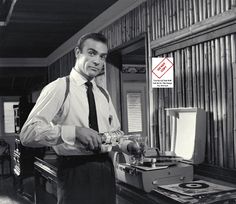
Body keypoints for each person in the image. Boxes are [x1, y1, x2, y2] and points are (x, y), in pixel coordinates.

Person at [20, 33, 137, 204]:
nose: (98, 61)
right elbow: (27, 134)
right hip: (74, 171)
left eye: (102, 56)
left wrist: (128, 145)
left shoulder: (103, 93)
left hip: (105, 170)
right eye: (91, 53)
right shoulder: (60, 87)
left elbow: (114, 134)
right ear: (77, 53)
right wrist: (74, 132)